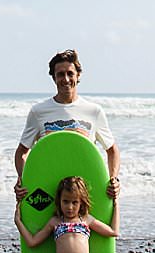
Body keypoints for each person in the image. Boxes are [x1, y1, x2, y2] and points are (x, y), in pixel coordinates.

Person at [14, 49, 120, 201]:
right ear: (54, 78)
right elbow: (22, 152)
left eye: (70, 73)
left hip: (83, 190)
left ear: (78, 75)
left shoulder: (93, 111)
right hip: (49, 187)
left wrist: (114, 179)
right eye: (60, 74)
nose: (66, 79)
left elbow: (112, 150)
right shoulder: (39, 112)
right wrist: (23, 180)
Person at [15, 175, 120, 252]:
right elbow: (32, 242)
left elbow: (113, 231)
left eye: (75, 202)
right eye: (65, 201)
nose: (70, 207)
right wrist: (18, 221)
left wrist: (115, 204)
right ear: (59, 201)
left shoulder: (86, 220)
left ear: (81, 203)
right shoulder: (55, 222)